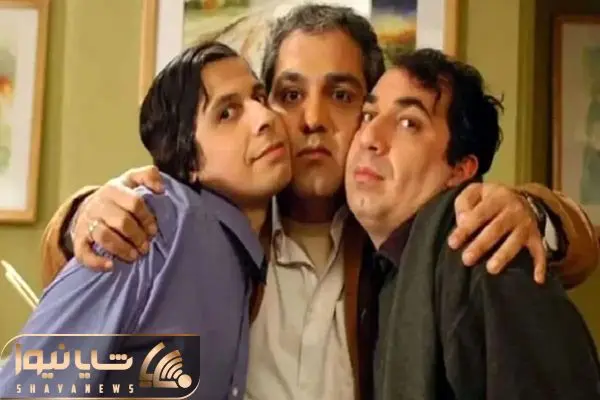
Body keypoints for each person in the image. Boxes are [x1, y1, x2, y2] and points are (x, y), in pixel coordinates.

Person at [39, 4, 599, 400]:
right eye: (289, 94)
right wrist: (81, 216)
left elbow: (571, 255)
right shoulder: (213, 225)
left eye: (341, 95)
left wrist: (534, 212)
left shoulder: (397, 242)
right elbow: (79, 304)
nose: (311, 119)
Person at [0, 41, 292, 399]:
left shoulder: (241, 257)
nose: (264, 118)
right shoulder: (156, 222)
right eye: (227, 113)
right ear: (189, 160)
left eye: (259, 98)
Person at [346, 48, 600, 400]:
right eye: (368, 115)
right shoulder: (367, 264)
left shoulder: (485, 255)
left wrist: (534, 209)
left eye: (408, 123)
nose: (369, 137)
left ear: (460, 169)